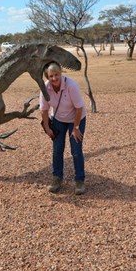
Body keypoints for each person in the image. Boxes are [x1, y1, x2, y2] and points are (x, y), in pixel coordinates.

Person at [39, 62, 87, 195]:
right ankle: (57, 178)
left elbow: (79, 108)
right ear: (46, 77)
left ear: (61, 73)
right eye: (51, 76)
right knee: (57, 150)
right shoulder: (45, 88)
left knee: (76, 150)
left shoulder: (71, 86)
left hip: (76, 119)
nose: (54, 78)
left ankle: (79, 180)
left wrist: (76, 128)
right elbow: (44, 109)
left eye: (56, 75)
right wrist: (47, 127)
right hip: (59, 119)